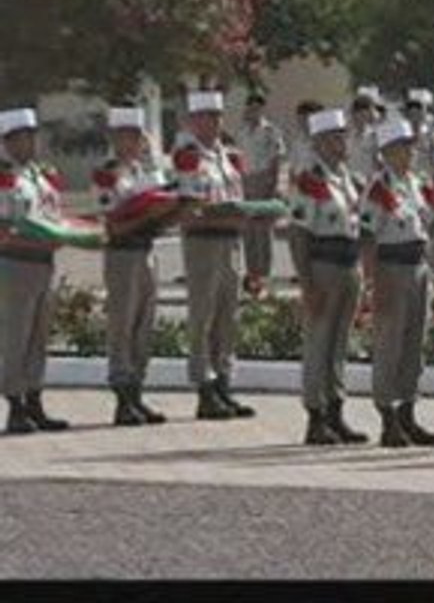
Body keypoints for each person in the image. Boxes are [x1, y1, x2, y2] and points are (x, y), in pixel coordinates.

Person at [93, 106, 181, 426]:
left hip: (146, 249)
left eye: (137, 136)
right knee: (123, 324)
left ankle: (137, 391)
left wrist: (174, 210)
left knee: (144, 325)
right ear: (115, 139)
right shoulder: (109, 174)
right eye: (125, 136)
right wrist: (149, 214)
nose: (132, 142)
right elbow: (113, 225)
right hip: (122, 254)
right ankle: (123, 396)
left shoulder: (147, 172)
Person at [360, 118, 434, 447]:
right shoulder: (379, 187)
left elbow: (431, 224)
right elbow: (366, 235)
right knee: (389, 343)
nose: (409, 153)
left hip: (418, 265)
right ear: (387, 152)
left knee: (414, 343)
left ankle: (408, 410)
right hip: (390, 266)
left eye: (410, 147)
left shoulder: (418, 184)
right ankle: (388, 416)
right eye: (401, 148)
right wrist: (372, 280)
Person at [172, 90, 256, 421]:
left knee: (227, 315)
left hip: (230, 240)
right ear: (193, 121)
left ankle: (223, 380)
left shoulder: (228, 155)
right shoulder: (188, 155)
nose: (213, 123)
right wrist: (224, 214)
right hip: (203, 241)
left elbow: (239, 196)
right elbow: (190, 207)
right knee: (203, 314)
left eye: (217, 116)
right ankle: (204, 387)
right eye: (206, 117)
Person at [288, 108, 369, 446]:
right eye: (335, 137)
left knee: (338, 345)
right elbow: (298, 233)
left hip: (349, 264)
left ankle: (336, 410)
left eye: (343, 136)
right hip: (323, 265)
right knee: (319, 342)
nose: (342, 142)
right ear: (319, 141)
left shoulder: (349, 179)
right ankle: (316, 415)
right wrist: (307, 282)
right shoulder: (311, 180)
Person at [0, 107, 72, 435]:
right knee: (15, 337)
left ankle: (34, 399)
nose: (26, 144)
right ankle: (14, 404)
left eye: (30, 137)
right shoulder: (6, 178)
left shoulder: (40, 175)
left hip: (44, 264)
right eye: (18, 139)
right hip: (15, 263)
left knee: (39, 337)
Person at [236, 91, 286, 297]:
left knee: (263, 232)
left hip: (264, 181)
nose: (253, 111)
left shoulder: (271, 131)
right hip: (246, 182)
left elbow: (276, 159)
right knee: (248, 232)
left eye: (257, 107)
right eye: (250, 107)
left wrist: (272, 186)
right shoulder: (241, 132)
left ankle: (264, 276)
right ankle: (252, 275)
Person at [404, 88, 434, 273]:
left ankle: (433, 275)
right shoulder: (401, 134)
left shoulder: (431, 136)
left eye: (418, 108)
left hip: (426, 191)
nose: (414, 112)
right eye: (411, 108)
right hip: (405, 190)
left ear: (424, 111)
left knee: (430, 235)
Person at [286, 100, 323, 287]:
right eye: (300, 119)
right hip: (300, 196)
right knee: (298, 234)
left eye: (306, 118)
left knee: (316, 234)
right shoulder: (297, 141)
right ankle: (300, 271)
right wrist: (289, 194)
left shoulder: (323, 142)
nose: (303, 122)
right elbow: (293, 170)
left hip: (319, 195)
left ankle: (315, 271)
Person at [347, 86, 382, 186]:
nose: (360, 117)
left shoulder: (375, 137)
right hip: (349, 182)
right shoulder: (346, 136)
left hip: (367, 184)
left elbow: (379, 164)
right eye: (357, 113)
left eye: (364, 114)